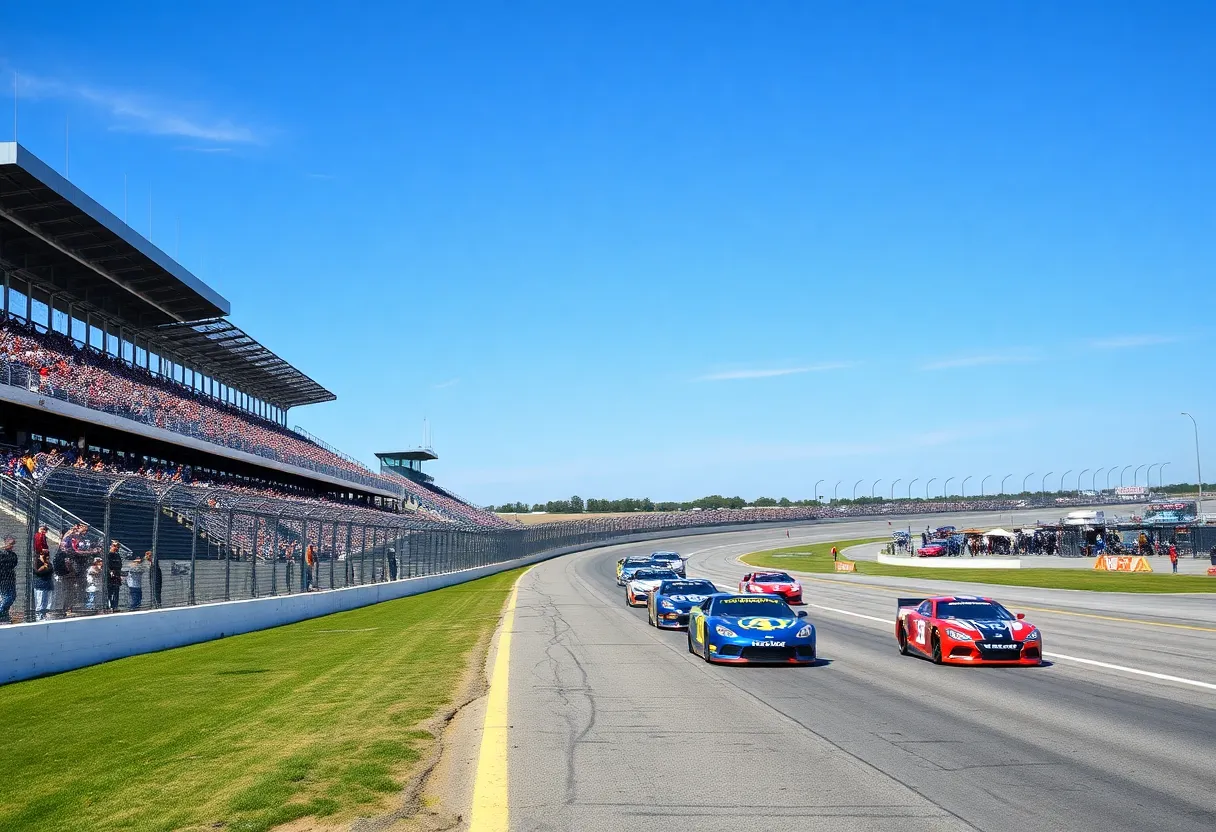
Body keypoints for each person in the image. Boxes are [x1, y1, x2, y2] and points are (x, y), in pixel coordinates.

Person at [32, 550, 54, 620]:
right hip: (40, 585)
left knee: (46, 601)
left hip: (47, 585)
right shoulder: (37, 563)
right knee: (40, 601)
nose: (46, 557)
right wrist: (42, 566)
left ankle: (44, 613)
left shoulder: (48, 564)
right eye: (42, 555)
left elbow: (49, 570)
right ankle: (39, 614)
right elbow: (37, 573)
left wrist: (45, 564)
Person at [0, 536, 18, 623]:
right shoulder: (1, 553)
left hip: (11, 578)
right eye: (11, 544)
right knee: (7, 597)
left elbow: (14, 562)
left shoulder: (12, 554)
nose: (12, 546)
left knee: (13, 596)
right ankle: (1, 612)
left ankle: (4, 614)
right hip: (3, 579)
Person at [105, 542, 123, 611]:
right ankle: (110, 606)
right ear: (111, 546)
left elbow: (120, 565)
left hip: (117, 576)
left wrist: (119, 574)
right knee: (110, 592)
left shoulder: (117, 555)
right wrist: (110, 571)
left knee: (116, 592)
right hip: (109, 577)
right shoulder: (108, 555)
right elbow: (107, 565)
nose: (116, 548)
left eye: (118, 547)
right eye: (115, 546)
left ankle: (115, 606)